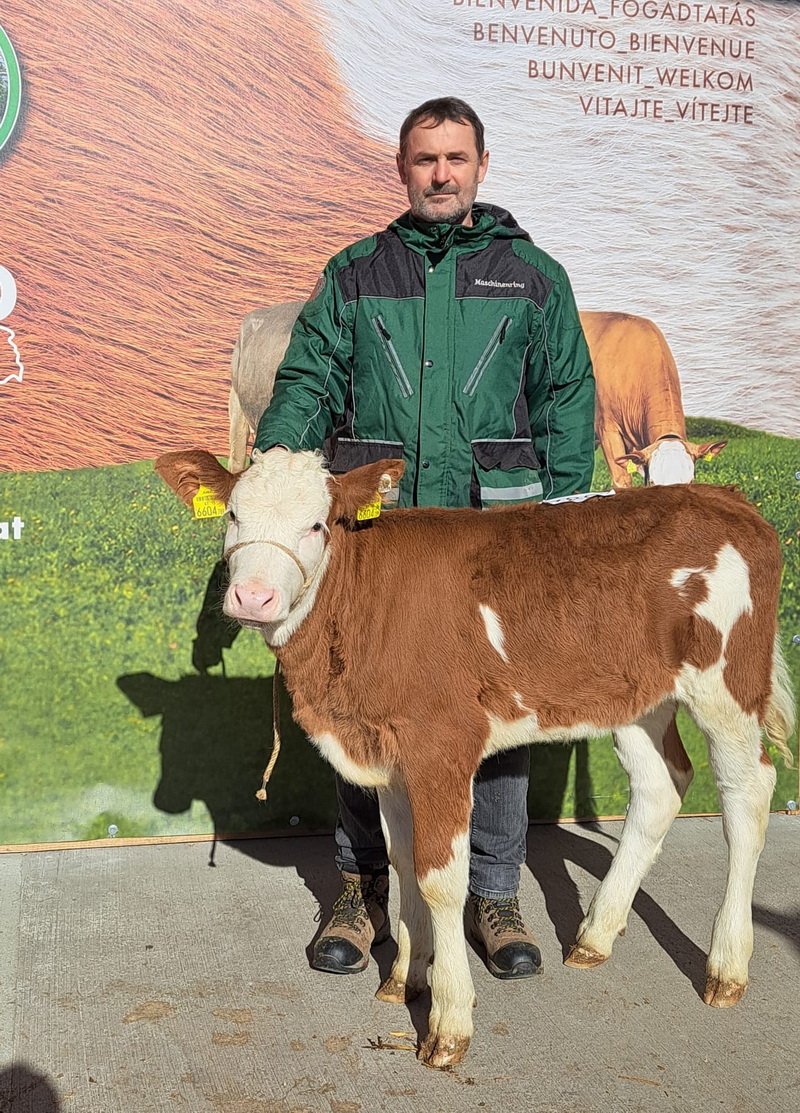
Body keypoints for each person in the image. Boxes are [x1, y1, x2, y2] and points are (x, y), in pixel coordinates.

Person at [254, 97, 595, 981]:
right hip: (383, 539)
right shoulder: (358, 274)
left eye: (455, 158)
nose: (440, 174)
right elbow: (309, 376)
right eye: (423, 160)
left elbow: (566, 402)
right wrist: (274, 466)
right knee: (363, 703)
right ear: (401, 169)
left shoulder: (534, 278)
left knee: (497, 720)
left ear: (483, 164)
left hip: (496, 539)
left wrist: (560, 525)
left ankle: (493, 891)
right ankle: (364, 889)